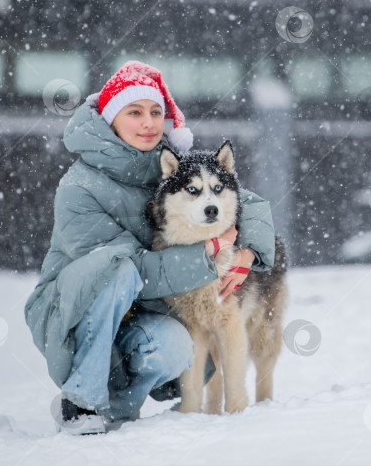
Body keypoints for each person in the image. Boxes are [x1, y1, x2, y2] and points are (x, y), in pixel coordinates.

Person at [24, 61, 276, 434]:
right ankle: (82, 403)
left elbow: (246, 201)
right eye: (135, 112)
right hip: (74, 312)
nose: (148, 123)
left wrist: (247, 252)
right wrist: (208, 253)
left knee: (176, 346)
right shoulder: (78, 187)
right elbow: (136, 270)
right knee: (119, 268)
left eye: (156, 112)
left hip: (137, 310)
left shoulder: (166, 166)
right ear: (111, 119)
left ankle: (120, 413)